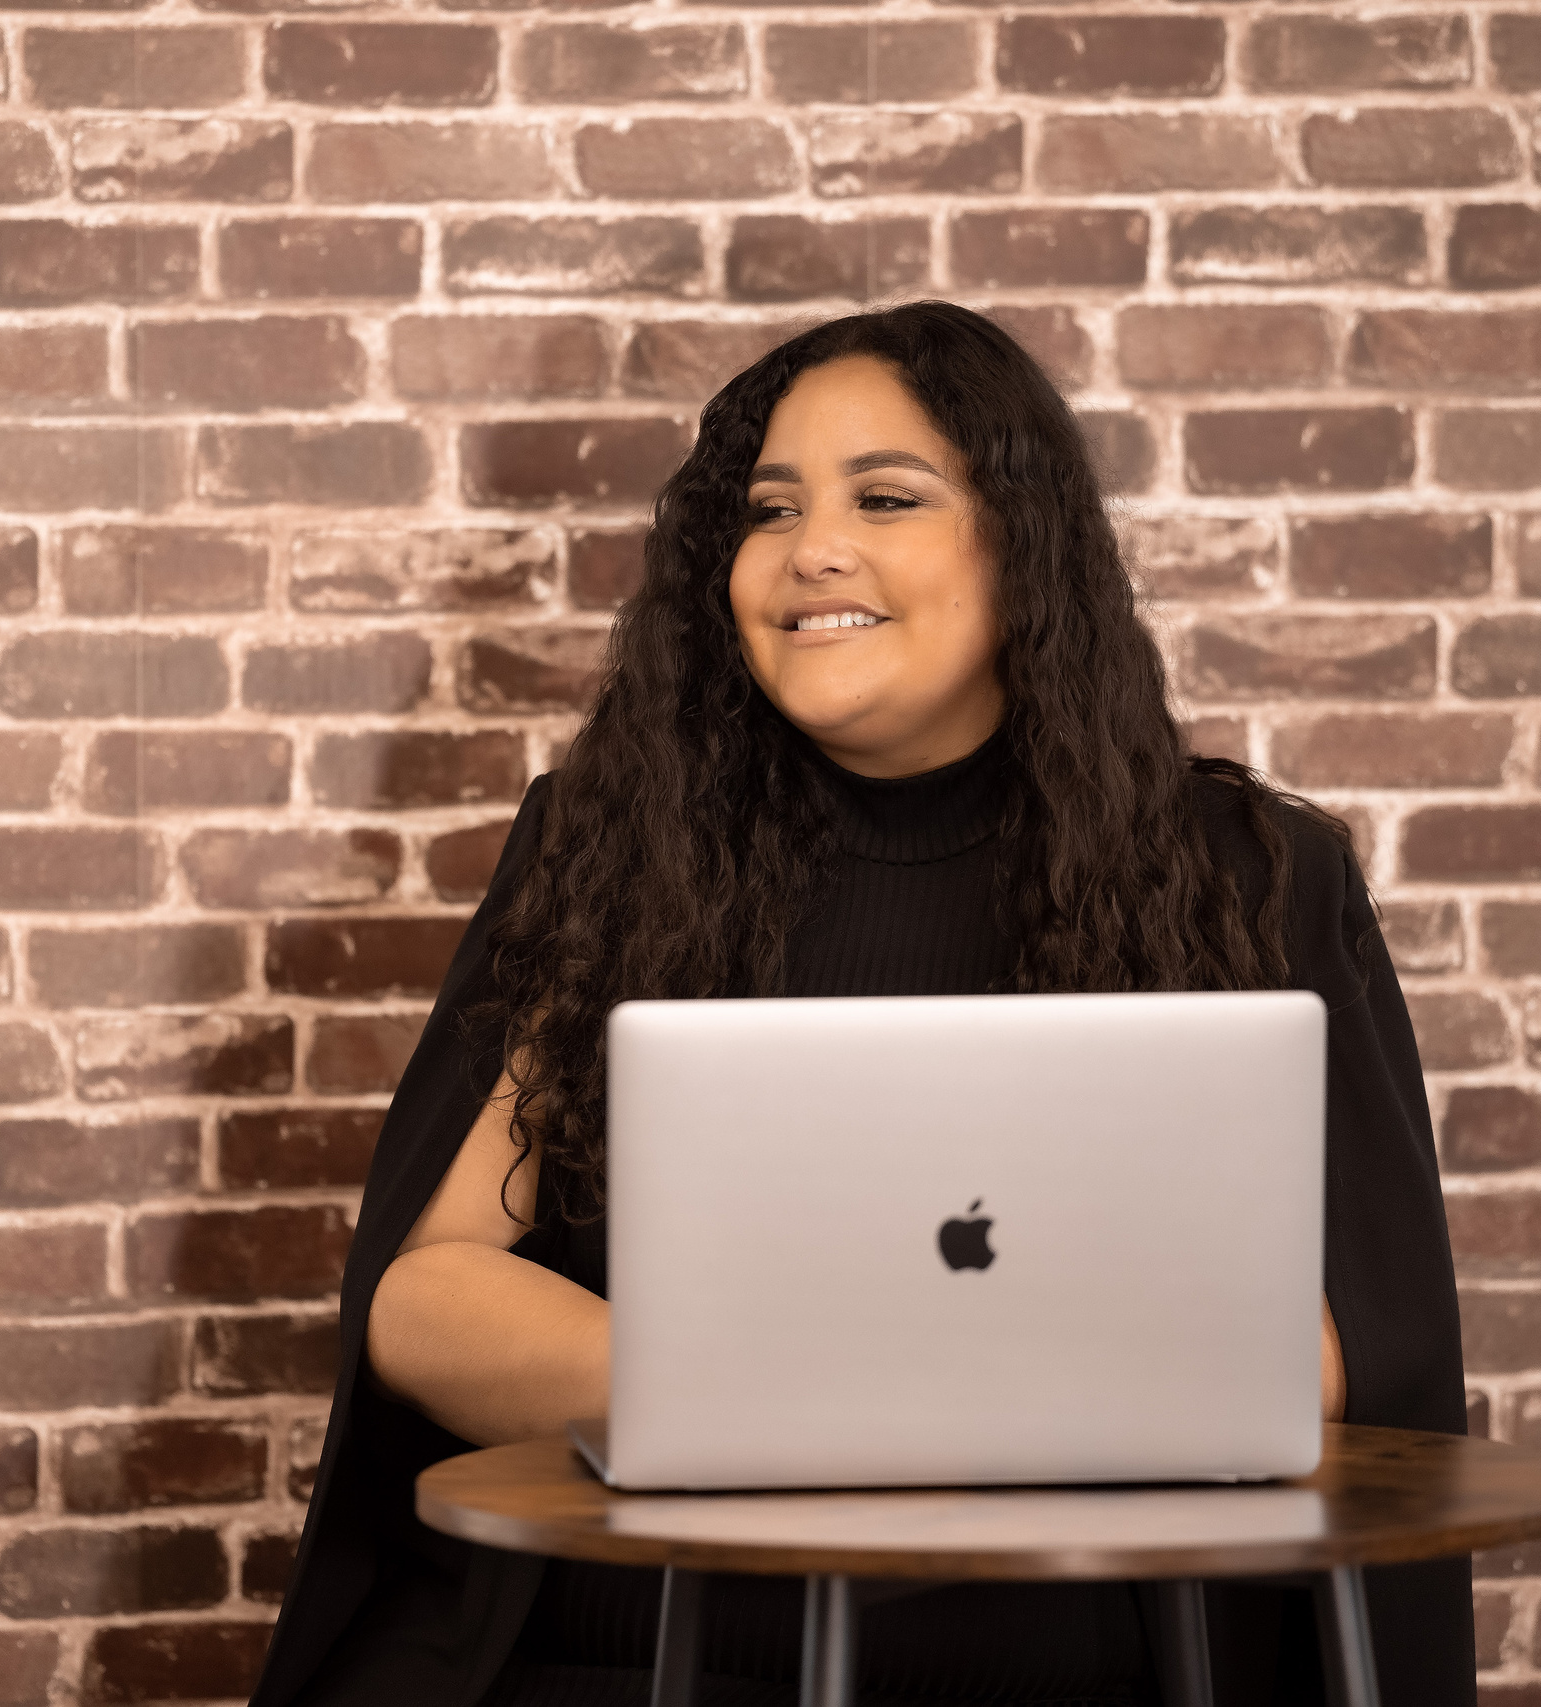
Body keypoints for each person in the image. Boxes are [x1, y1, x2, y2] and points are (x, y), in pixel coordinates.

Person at [250, 301, 1471, 1707]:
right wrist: (769, 1398)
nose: (812, 548)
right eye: (771, 512)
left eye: (885, 497)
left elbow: (1328, 1361)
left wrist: (873, 1415)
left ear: (1022, 544)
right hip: (625, 1650)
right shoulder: (619, 843)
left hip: (1069, 1663)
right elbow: (423, 1302)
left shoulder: (1246, 876)